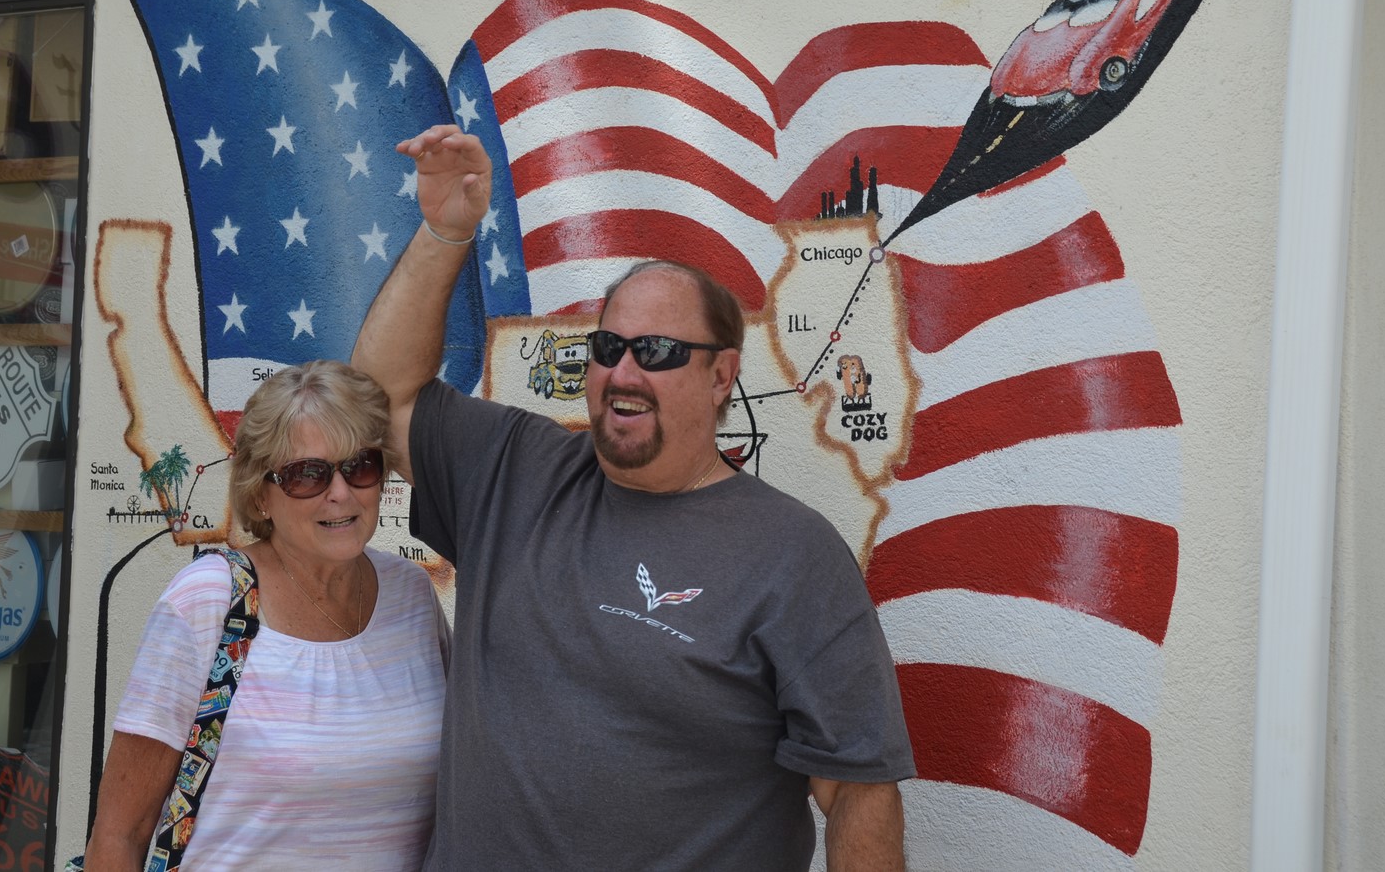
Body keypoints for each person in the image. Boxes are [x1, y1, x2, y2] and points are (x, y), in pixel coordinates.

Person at [351, 125, 914, 871]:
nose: (623, 373)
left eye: (656, 353)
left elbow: (858, 794)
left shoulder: (792, 554)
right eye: (609, 349)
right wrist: (445, 231)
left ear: (721, 377)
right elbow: (376, 398)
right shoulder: (515, 467)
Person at [83, 360, 449, 870]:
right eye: (307, 475)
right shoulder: (207, 602)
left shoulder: (412, 597)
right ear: (260, 493)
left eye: (359, 466)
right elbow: (121, 833)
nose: (340, 493)